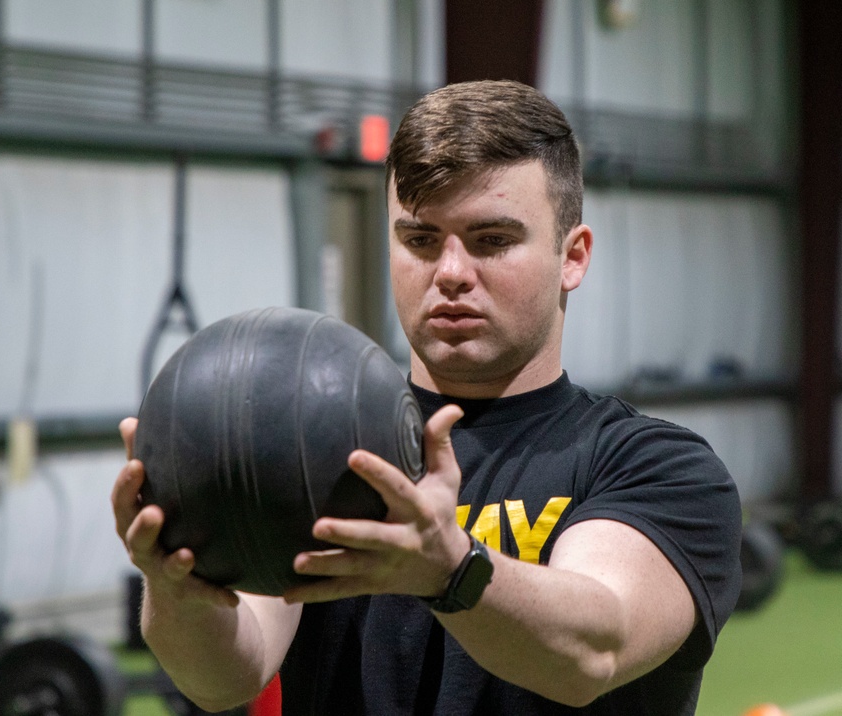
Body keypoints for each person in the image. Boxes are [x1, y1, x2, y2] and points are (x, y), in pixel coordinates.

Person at [112, 79, 741, 715]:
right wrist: (177, 589)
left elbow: (592, 652)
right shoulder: (317, 447)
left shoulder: (657, 468)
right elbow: (224, 680)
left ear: (572, 257)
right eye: (420, 240)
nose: (450, 273)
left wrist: (450, 569)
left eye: (492, 240)